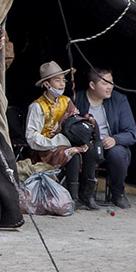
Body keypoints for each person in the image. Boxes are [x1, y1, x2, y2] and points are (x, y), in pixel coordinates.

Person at [25, 61, 98, 210]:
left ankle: (87, 194)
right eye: (56, 80)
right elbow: (31, 136)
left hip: (65, 143)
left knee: (89, 149)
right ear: (46, 84)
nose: (62, 84)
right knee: (72, 154)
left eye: (63, 80)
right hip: (45, 148)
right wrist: (53, 143)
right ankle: (73, 196)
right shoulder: (37, 106)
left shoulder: (66, 101)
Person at [73, 68, 136, 209]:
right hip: (88, 145)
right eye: (105, 83)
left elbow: (131, 133)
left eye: (111, 83)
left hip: (109, 145)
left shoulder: (119, 100)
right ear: (92, 85)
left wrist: (115, 139)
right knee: (83, 151)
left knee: (118, 153)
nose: (110, 87)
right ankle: (84, 194)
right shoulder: (77, 99)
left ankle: (118, 193)